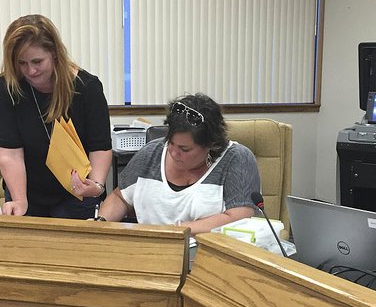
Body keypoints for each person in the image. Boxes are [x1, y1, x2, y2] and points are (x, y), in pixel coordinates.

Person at [0, 14, 112, 218]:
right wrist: (20, 200)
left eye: (37, 61)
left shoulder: (87, 88)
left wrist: (97, 185)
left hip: (77, 192)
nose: (31, 70)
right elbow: (10, 153)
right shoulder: (7, 89)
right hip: (27, 190)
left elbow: (99, 146)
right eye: (22, 63)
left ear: (55, 53)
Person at [96, 93, 261, 234]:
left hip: (209, 258)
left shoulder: (236, 159)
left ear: (211, 144)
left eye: (185, 149)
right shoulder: (152, 152)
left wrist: (178, 230)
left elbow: (239, 217)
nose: (174, 153)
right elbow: (120, 197)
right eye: (171, 143)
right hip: (152, 254)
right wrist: (100, 223)